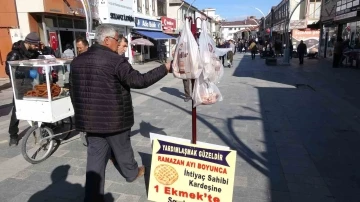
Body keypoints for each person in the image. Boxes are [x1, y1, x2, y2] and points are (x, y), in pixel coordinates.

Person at [69, 25, 171, 202]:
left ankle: (92, 198)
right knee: (123, 150)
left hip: (90, 122)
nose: (118, 44)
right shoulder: (116, 61)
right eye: (117, 40)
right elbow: (139, 81)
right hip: (114, 121)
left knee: (95, 161)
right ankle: (131, 173)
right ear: (107, 40)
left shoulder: (77, 61)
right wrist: (164, 68)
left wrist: (82, 114)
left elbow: (73, 91)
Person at [5, 32, 41, 146]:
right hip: (19, 87)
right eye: (35, 45)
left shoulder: (33, 53)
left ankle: (38, 132)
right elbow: (9, 71)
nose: (37, 47)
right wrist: (27, 73)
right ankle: (13, 135)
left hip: (33, 85)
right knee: (17, 111)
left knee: (37, 108)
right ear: (29, 42)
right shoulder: (15, 54)